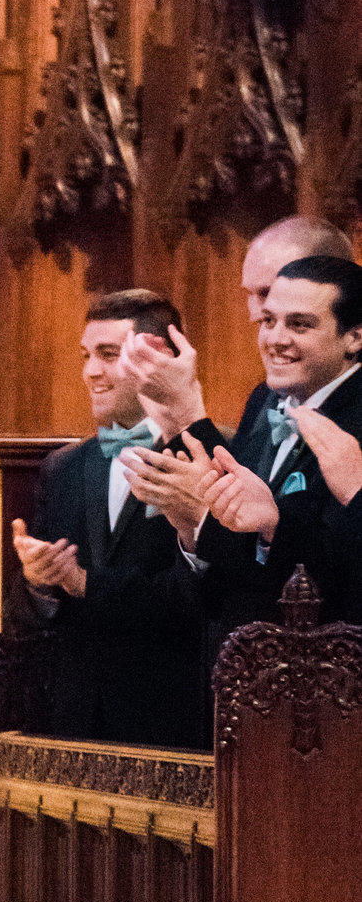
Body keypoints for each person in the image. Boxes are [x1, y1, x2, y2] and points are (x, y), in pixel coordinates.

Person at [123, 253, 362, 653]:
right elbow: (236, 512)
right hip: (244, 661)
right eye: (269, 321)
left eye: (299, 324)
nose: (275, 338)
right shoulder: (265, 398)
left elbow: (341, 563)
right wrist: (181, 420)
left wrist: (273, 524)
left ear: (354, 337)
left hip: (326, 671)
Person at [10, 290, 208, 748]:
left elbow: (195, 594)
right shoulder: (63, 469)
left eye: (108, 354)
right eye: (86, 355)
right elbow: (33, 616)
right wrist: (39, 581)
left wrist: (86, 584)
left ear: (159, 357)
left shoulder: (209, 453)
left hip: (171, 720)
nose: (91, 372)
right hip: (76, 722)